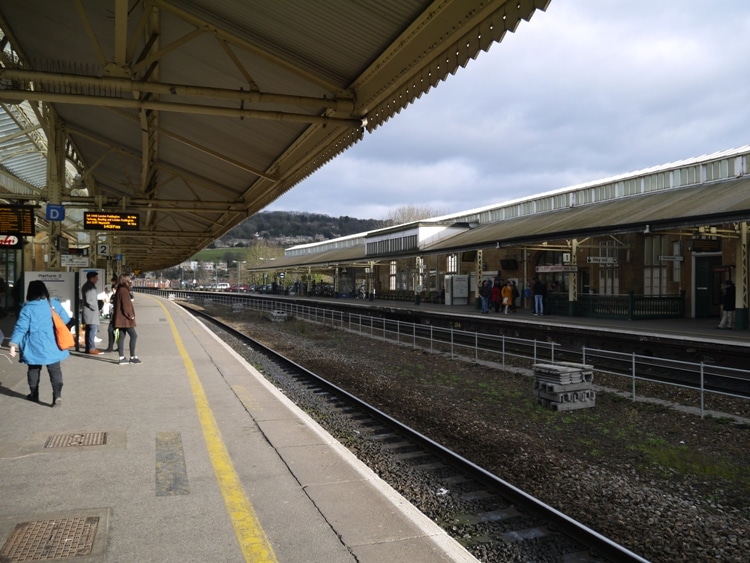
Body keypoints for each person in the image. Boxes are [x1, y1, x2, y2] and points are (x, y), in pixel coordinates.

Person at [8, 280, 71, 407]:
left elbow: (21, 328)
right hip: (52, 343)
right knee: (55, 370)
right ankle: (57, 396)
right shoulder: (53, 304)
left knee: (33, 369)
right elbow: (66, 319)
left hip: (33, 344)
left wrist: (13, 344)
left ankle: (34, 394)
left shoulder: (27, 308)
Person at [111, 273, 141, 364]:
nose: (130, 281)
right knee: (134, 336)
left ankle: (122, 358)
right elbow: (126, 305)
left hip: (120, 318)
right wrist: (130, 315)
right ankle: (132, 357)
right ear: (125, 280)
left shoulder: (120, 289)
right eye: (129, 279)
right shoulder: (124, 290)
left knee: (122, 336)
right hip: (125, 319)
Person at [81, 271, 101, 354]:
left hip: (90, 312)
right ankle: (91, 348)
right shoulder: (89, 287)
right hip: (91, 312)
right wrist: (95, 308)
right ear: (92, 278)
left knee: (89, 330)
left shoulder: (89, 285)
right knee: (92, 330)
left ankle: (88, 348)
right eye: (96, 277)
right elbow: (89, 300)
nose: (97, 279)